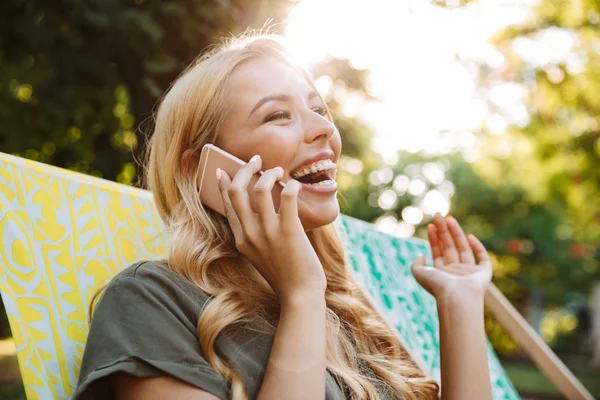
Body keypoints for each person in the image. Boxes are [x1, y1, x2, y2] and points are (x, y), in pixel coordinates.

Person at [73, 34, 493, 400]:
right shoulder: (150, 299)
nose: (323, 130)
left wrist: (461, 305)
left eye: (319, 110)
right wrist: (302, 294)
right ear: (201, 169)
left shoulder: (348, 308)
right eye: (278, 115)